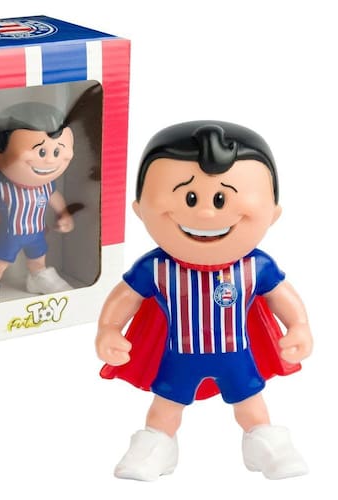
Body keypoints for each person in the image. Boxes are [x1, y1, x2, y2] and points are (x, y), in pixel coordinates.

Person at [96, 121, 313, 480]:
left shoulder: (255, 267)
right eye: (190, 198)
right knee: (165, 409)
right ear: (140, 209)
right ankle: (156, 447)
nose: (207, 213)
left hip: (236, 354)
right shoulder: (157, 268)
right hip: (179, 355)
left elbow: (283, 298)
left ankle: (266, 445)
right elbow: (125, 298)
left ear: (273, 213)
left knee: (252, 408)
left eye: (221, 199)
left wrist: (299, 326)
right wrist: (108, 329)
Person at [0, 102, 74, 303]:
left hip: (37, 233)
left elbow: (54, 197)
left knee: (38, 260)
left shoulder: (46, 185)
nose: (50, 161)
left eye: (57, 152)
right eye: (42, 152)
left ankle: (38, 278)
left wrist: (64, 214)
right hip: (9, 235)